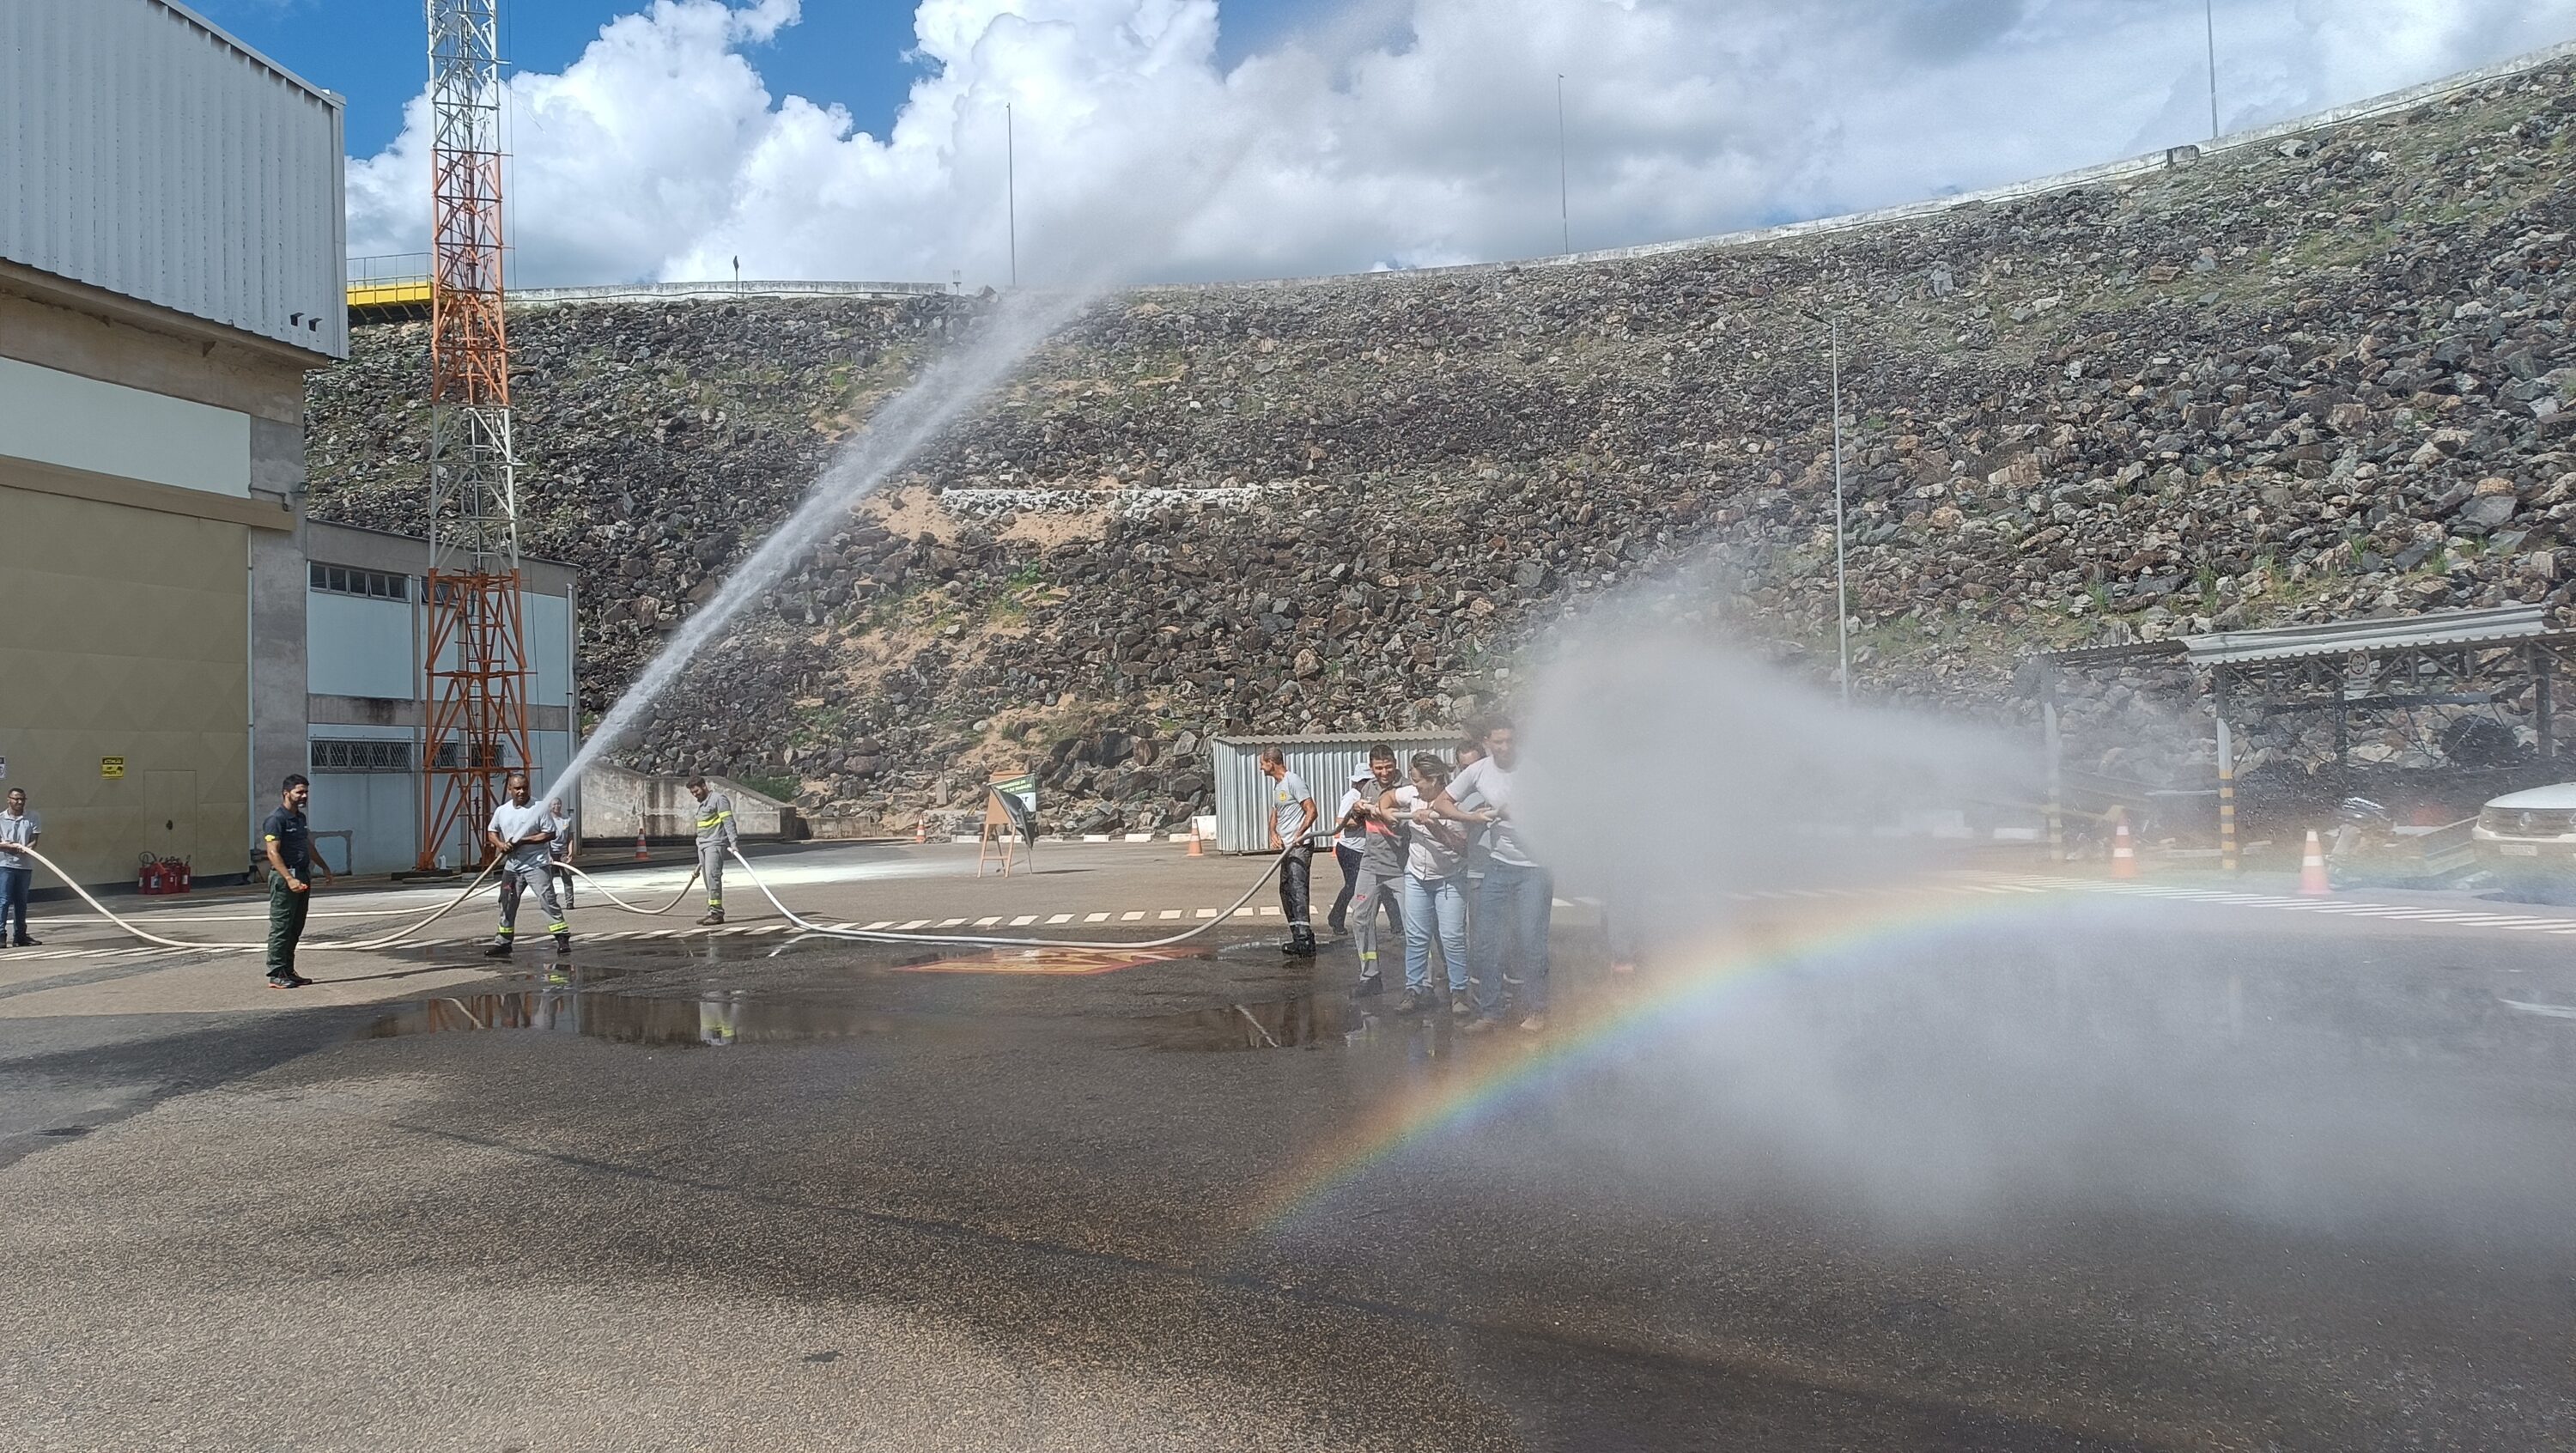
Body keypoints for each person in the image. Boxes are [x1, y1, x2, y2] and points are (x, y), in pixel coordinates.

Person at [1430, 717, 1552, 1034]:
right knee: (1486, 942)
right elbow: (1441, 803)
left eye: (1510, 741)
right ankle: (1490, 1010)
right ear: (1487, 742)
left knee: (1530, 941)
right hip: (1498, 866)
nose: (1506, 747)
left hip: (1534, 869)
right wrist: (1471, 816)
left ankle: (1536, 1009)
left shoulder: (1533, 770)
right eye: (1499, 742)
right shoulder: (1478, 770)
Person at [1389, 754, 1473, 1015]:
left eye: (1418, 781)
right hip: (1416, 876)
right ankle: (1413, 988)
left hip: (1450, 878)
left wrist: (1434, 827)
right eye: (1412, 780)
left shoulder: (1455, 803)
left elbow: (1463, 849)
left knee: (1452, 937)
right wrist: (1384, 811)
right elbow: (1389, 797)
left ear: (1434, 779)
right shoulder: (1411, 794)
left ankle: (1459, 992)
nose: (1414, 786)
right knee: (1416, 937)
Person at [1343, 747, 1409, 994]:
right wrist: (1358, 811)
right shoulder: (1367, 789)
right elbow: (1350, 825)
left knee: (1414, 924)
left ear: (1395, 764)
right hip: (1370, 865)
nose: (1384, 772)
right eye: (1379, 768)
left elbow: (1401, 821)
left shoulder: (1407, 788)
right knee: (1360, 919)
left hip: (1401, 867)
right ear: (1371, 768)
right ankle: (1370, 975)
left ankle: (1421, 982)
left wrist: (1376, 811)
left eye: (1388, 766)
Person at [483, 770, 570, 957]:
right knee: (507, 901)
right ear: (509, 790)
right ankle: (504, 942)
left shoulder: (539, 807)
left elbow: (549, 833)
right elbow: (492, 831)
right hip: (512, 866)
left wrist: (523, 840)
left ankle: (562, 937)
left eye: (524, 788)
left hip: (536, 864)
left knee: (547, 899)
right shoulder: (502, 811)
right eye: (517, 789)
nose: (521, 792)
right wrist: (500, 844)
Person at [260, 775, 331, 988]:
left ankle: (288, 970)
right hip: (285, 879)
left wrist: (324, 866)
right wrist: (289, 879)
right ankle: (276, 972)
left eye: (306, 792)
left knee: (296, 926)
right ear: (286, 793)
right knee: (282, 925)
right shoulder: (276, 819)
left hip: (301, 875)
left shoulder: (299, 818)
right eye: (299, 792)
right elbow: (272, 853)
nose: (304, 796)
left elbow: (307, 845)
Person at [1258, 746, 1318, 956]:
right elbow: (1276, 811)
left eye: (1262, 763)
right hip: (1286, 847)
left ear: (1271, 763)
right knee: (1286, 890)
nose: (1260, 768)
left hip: (1299, 847)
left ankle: (1305, 939)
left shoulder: (1293, 781)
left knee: (1297, 888)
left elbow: (1311, 809)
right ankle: (1297, 935)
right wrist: (1272, 831)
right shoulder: (1279, 786)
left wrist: (1300, 833)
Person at [1326, 766, 1372, 935]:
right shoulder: (1352, 797)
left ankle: (1395, 924)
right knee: (1353, 885)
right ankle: (1336, 917)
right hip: (1350, 849)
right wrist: (1363, 820)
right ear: (1357, 782)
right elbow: (1341, 821)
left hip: (1364, 848)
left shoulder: (1369, 796)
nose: (1367, 784)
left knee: (1374, 885)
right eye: (1364, 781)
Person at [688, 774, 738, 925]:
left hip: (715, 844)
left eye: (696, 791)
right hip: (702, 846)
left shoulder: (718, 799)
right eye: (692, 793)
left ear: (704, 786)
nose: (695, 795)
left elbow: (728, 821)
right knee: (707, 880)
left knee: (713, 877)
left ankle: (717, 914)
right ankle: (712, 910)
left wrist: (733, 843)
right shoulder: (702, 804)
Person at [0, 787, 41, 948]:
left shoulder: (33, 817)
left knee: (21, 902)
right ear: (8, 799)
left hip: (24, 866)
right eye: (16, 799)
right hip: (4, 865)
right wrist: (7, 846)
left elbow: (34, 840)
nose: (19, 802)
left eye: (22, 799)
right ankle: (1, 935)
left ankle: (20, 936)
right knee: (3, 901)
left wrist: (27, 848)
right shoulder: (1, 819)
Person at [546, 794, 577, 910]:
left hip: (563, 853)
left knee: (567, 877)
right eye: (554, 804)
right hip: (550, 853)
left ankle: (569, 902)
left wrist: (570, 853)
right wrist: (548, 855)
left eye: (558, 804)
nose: (556, 806)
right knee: (548, 879)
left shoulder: (567, 820)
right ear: (550, 806)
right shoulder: (547, 820)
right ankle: (550, 901)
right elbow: (545, 840)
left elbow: (570, 838)